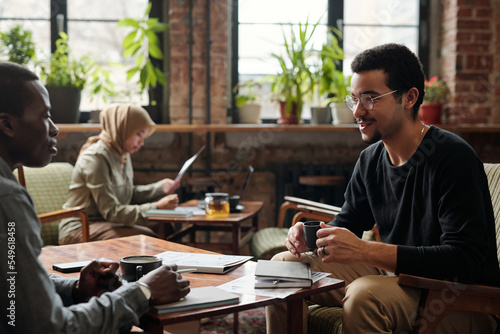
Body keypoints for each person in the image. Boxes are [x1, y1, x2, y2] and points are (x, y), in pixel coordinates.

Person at [267, 44, 500, 333]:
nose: (357, 111)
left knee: (365, 295)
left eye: (370, 98)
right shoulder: (371, 159)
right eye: (353, 99)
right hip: (399, 278)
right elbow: (349, 223)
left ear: (409, 97)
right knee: (281, 269)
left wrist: (366, 251)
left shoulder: (453, 158)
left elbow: (465, 260)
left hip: (460, 297)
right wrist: (315, 235)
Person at [0, 61, 191, 333]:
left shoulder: (121, 157)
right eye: (45, 116)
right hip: (83, 224)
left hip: (102, 224)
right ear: (6, 124)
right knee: (146, 238)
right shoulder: (8, 201)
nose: (55, 129)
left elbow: (14, 284)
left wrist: (76, 288)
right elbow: (50, 327)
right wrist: (144, 291)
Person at [59, 104, 180, 245]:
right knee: (147, 239)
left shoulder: (121, 153)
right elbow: (111, 211)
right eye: (139, 134)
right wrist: (156, 207)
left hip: (106, 222)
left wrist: (160, 188)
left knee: (164, 228)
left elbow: (127, 194)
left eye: (145, 136)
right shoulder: (95, 158)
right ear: (122, 128)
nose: (142, 142)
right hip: (81, 227)